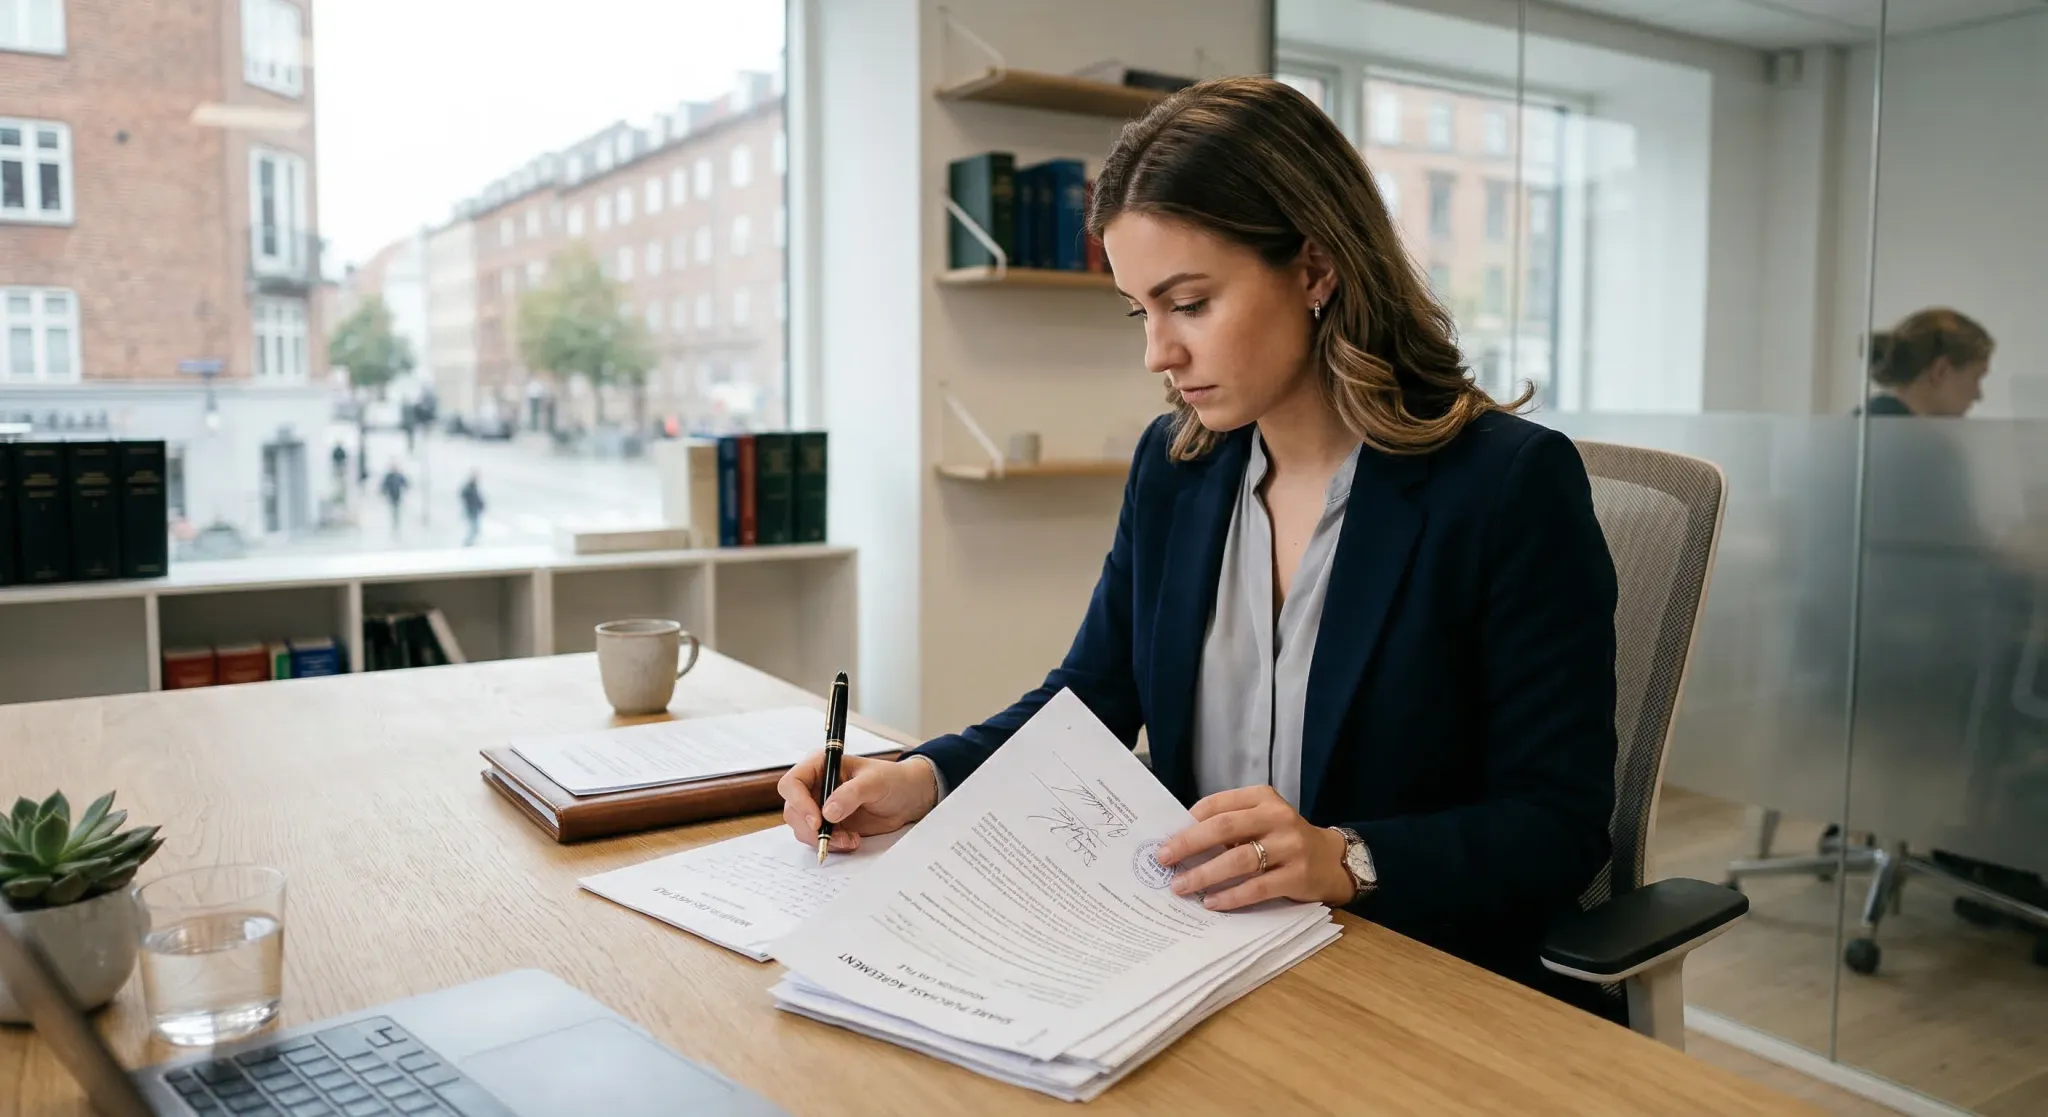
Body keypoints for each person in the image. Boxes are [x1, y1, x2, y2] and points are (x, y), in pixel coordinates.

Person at [776, 77, 1621, 1021]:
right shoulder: (1177, 466)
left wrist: (1348, 856)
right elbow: (1090, 695)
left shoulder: (1504, 486)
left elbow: (1561, 822)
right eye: (1142, 311)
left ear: (1315, 268)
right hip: (1191, 957)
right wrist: (919, 779)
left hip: (1402, 979)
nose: (1158, 354)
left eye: (1190, 303)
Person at [1859, 307, 1994, 417]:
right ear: (1941, 371)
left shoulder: (1864, 427)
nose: (1978, 395)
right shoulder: (1912, 443)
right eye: (1976, 377)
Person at [379, 460, 409, 536]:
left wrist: (407, 487)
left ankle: (396, 523)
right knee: (393, 510)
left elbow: (405, 483)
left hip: (397, 496)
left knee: (397, 510)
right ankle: (394, 523)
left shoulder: (399, 476)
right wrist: (382, 491)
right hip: (391, 496)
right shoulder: (389, 476)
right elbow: (384, 485)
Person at [459, 469, 485, 547]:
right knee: (473, 528)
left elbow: (478, 499)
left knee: (475, 529)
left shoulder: (474, 487)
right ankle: (468, 543)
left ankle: (470, 543)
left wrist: (481, 505)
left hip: (474, 510)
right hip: (471, 510)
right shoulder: (469, 487)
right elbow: (464, 495)